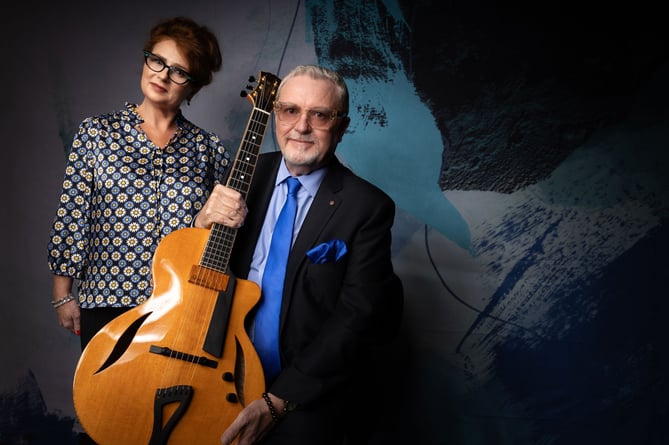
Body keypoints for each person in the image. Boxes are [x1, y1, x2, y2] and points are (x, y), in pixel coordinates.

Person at [220, 65, 404, 445]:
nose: (301, 127)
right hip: (220, 372)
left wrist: (275, 403)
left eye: (318, 115)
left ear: (341, 126)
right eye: (289, 110)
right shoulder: (242, 175)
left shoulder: (367, 207)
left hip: (304, 390)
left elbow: (357, 317)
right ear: (275, 115)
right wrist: (203, 222)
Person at [46, 16, 247, 360]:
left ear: (193, 86)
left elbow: (218, 239)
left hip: (179, 300)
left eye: (178, 71)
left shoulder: (208, 148)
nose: (162, 75)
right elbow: (73, 215)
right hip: (107, 298)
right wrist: (63, 295)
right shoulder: (97, 133)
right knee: (105, 408)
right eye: (157, 60)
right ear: (146, 60)